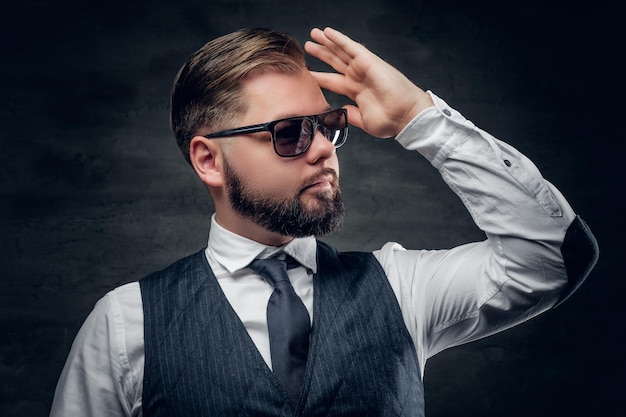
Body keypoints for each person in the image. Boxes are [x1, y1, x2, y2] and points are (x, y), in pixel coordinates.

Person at [49, 27, 598, 417]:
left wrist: (420, 120)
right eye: (290, 132)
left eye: (328, 125)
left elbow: (554, 256)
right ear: (208, 160)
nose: (324, 152)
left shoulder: (402, 289)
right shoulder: (126, 324)